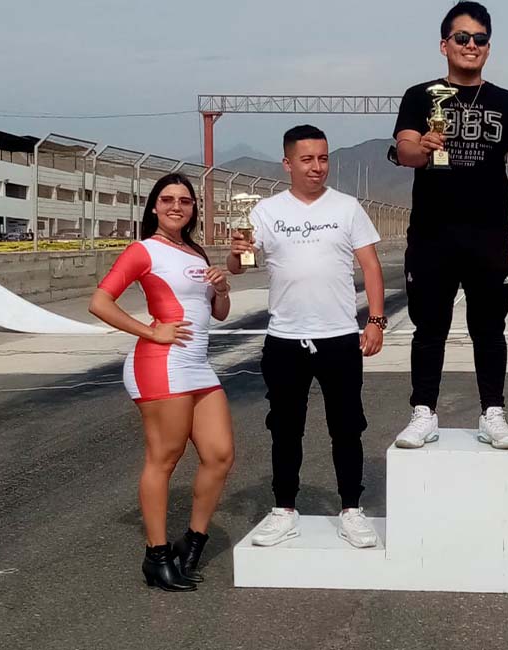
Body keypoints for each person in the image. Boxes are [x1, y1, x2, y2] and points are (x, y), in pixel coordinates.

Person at [228, 125, 386, 549]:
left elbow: (370, 266)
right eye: (307, 159)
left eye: (323, 158)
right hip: (285, 339)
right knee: (285, 428)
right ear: (288, 164)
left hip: (339, 337)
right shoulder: (265, 211)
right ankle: (284, 509)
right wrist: (236, 252)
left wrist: (375, 320)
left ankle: (351, 508)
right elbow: (240, 265)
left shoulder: (347, 207)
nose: (317, 167)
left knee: (347, 427)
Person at [390, 1, 508, 451]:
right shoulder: (420, 96)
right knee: (428, 328)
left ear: (488, 48)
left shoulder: (507, 103)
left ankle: (493, 412)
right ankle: (423, 412)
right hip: (432, 234)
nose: (471, 45)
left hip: (488, 235)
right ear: (444, 45)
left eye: (480, 39)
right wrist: (421, 147)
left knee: (488, 328)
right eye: (462, 37)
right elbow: (404, 150)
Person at [89, 173, 235, 592]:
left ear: (193, 209)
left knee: (220, 455)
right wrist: (151, 331)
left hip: (197, 364)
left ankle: (192, 542)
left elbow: (218, 313)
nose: (176, 206)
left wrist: (222, 288)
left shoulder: (195, 250)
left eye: (185, 201)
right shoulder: (143, 250)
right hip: (160, 363)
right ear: (154, 206)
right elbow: (99, 302)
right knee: (164, 459)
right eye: (168, 199)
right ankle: (156, 557)